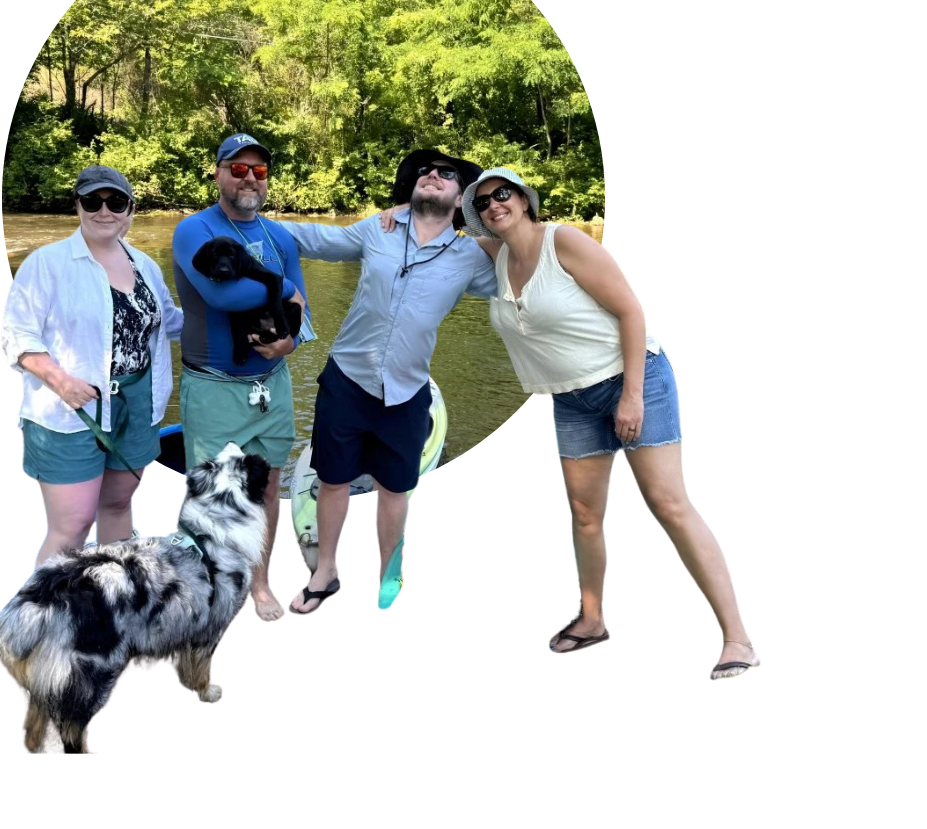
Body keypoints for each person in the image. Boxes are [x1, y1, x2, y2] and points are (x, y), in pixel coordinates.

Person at [381, 166, 760, 681]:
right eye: (485, 201)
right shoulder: (494, 257)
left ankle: (738, 637)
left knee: (668, 503)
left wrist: (630, 397)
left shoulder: (565, 242)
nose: (496, 204)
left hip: (633, 378)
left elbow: (631, 311)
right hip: (571, 399)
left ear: (524, 199)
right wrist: (398, 213)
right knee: (584, 512)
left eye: (504, 194)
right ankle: (592, 617)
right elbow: (433, 234)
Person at [274, 150, 499, 615]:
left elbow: (526, 270)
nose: (433, 175)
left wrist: (489, 233)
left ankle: (387, 574)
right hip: (346, 380)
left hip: (407, 391)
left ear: (462, 198)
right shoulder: (376, 230)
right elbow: (315, 239)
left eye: (447, 174)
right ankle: (325, 571)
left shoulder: (470, 258)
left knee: (394, 489)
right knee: (333, 481)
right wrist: (247, 220)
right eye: (424, 171)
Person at [2, 165, 183, 570]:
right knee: (72, 525)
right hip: (69, 409)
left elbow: (170, 321)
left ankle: (111, 605)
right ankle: (32, 624)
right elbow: (17, 336)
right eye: (93, 201)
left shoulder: (145, 265)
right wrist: (61, 382)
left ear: (130, 208)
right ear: (78, 206)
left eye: (115, 201)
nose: (105, 210)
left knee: (118, 505)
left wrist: (237, 318)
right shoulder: (45, 263)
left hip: (139, 403)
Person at [171, 134, 311, 624]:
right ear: (218, 172)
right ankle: (210, 592)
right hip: (214, 385)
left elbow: (303, 313)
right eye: (238, 168)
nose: (249, 177)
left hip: (273, 383)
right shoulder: (194, 230)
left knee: (269, 488)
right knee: (213, 496)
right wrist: (284, 288)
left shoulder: (280, 236)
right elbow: (223, 298)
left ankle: (260, 583)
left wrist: (291, 341)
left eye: (259, 170)